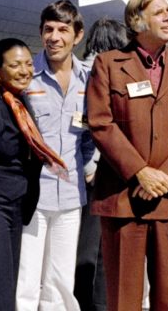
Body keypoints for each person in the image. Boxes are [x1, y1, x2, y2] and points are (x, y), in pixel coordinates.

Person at [86, 0, 168, 310]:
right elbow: (101, 123)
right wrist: (139, 172)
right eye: (159, 12)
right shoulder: (109, 64)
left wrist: (163, 177)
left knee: (166, 297)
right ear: (137, 21)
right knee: (123, 298)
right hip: (123, 198)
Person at [0, 38, 64, 311]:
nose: (24, 71)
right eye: (15, 65)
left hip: (15, 206)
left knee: (7, 283)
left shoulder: (17, 102)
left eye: (28, 64)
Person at [15, 0, 96, 311]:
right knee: (26, 280)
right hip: (32, 197)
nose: (54, 37)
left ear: (77, 36)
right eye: (48, 29)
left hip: (72, 196)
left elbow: (91, 133)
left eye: (63, 29)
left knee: (61, 282)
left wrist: (89, 166)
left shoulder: (89, 80)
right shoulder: (25, 76)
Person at [74, 17, 128, 311]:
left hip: (82, 172)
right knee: (97, 253)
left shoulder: (80, 71)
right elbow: (94, 125)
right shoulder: (101, 73)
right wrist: (92, 165)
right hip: (98, 172)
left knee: (86, 250)